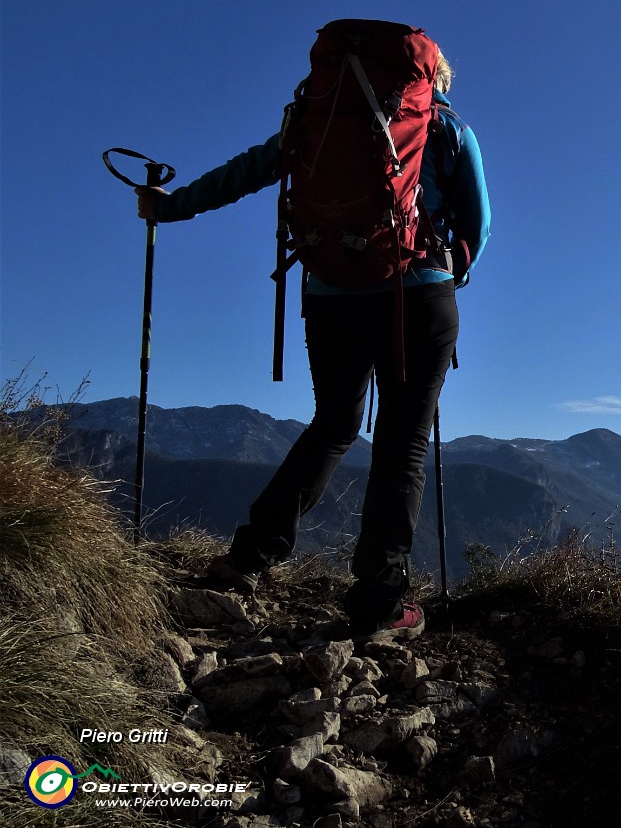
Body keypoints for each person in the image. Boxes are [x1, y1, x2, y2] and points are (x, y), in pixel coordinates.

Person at [136, 48, 490, 642]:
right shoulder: (447, 127)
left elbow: (248, 171)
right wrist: (451, 267)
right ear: (430, 81)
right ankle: (378, 601)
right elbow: (477, 223)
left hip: (332, 295)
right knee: (402, 442)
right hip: (418, 296)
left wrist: (170, 207)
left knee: (332, 424)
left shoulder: (314, 121)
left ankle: (248, 557)